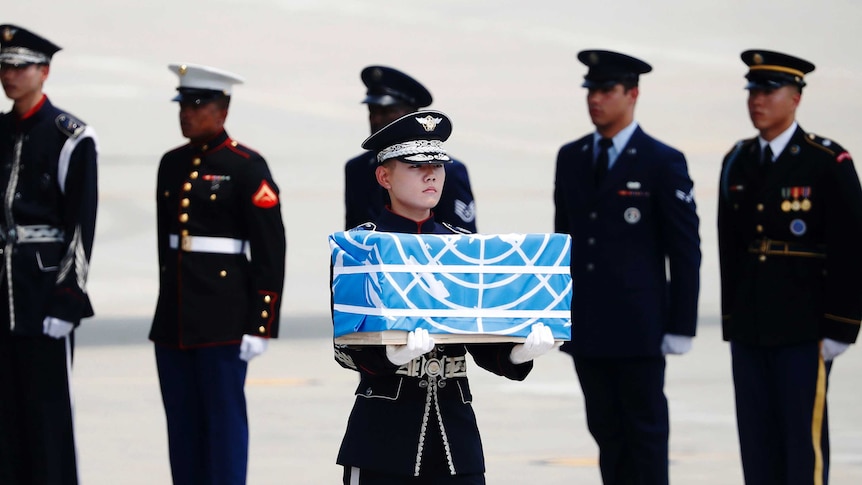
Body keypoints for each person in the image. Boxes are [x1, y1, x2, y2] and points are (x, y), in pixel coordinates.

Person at [335, 110, 555, 484]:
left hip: (455, 432)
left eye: (437, 164)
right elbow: (345, 347)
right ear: (384, 175)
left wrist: (515, 352)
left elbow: (476, 333)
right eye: (416, 165)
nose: (431, 174)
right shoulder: (360, 246)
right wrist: (390, 355)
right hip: (384, 434)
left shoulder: (461, 245)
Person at [553, 50, 701, 485]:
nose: (595, 99)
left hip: (640, 328)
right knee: (606, 433)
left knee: (646, 435)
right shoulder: (572, 156)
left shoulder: (661, 160)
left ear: (632, 94)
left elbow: (685, 248)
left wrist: (682, 325)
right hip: (589, 326)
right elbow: (564, 242)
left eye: (606, 90)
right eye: (591, 90)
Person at [718, 50, 862, 485]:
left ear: (795, 97)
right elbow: (731, 248)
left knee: (802, 443)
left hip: (804, 328)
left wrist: (841, 326)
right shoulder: (738, 160)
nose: (757, 101)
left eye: (768, 91)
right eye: (753, 91)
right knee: (757, 442)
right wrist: (732, 322)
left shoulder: (825, 160)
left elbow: (851, 245)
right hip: (750, 328)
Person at [150, 63, 286, 485]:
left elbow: (270, 248)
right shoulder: (170, 164)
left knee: (223, 426)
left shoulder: (246, 166)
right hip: (174, 319)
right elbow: (164, 247)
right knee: (182, 426)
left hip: (224, 318)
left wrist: (261, 323)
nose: (185, 113)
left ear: (222, 110)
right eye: (183, 104)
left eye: (196, 104)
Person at [0, 24, 98, 485]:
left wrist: (67, 298)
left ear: (44, 71)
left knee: (46, 416)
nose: (10, 75)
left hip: (43, 295)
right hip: (4, 293)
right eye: (5, 66)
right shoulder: (2, 131)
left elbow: (81, 225)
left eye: (20, 66)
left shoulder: (70, 137)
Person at [343, 65, 477, 232]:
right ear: (382, 176)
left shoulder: (452, 170)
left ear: (411, 113)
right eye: (373, 111)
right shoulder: (357, 168)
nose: (377, 119)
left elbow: (464, 242)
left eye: (387, 111)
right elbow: (352, 233)